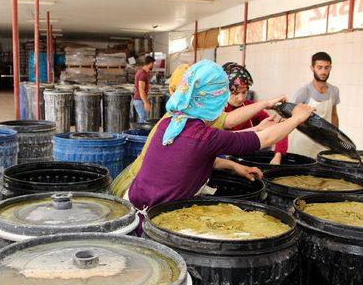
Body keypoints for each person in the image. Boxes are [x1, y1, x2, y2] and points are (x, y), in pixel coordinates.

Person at [128, 60, 313, 211]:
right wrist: (297, 118)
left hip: (135, 205)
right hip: (155, 218)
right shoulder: (204, 136)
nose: (224, 107)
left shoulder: (172, 122)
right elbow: (266, 139)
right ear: (213, 102)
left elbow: (194, 158)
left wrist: (235, 166)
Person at [222, 62, 288, 165]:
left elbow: (279, 128)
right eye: (234, 93)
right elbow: (220, 139)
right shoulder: (214, 112)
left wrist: (277, 156)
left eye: (244, 92)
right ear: (223, 90)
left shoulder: (250, 107)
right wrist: (257, 128)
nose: (240, 98)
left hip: (247, 159)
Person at [289, 52, 340, 158]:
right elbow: (290, 118)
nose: (323, 71)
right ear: (312, 68)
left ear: (330, 68)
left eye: (326, 68)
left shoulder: (334, 91)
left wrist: (335, 138)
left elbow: (334, 115)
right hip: (302, 143)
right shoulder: (303, 92)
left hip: (323, 143)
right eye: (319, 67)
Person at [132, 56, 155, 122]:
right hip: (139, 100)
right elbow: (141, 90)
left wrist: (148, 86)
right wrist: (146, 102)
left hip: (139, 99)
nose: (153, 66)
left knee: (143, 119)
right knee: (143, 120)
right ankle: (140, 132)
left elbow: (141, 86)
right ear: (150, 63)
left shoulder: (143, 72)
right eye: (153, 64)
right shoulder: (142, 74)